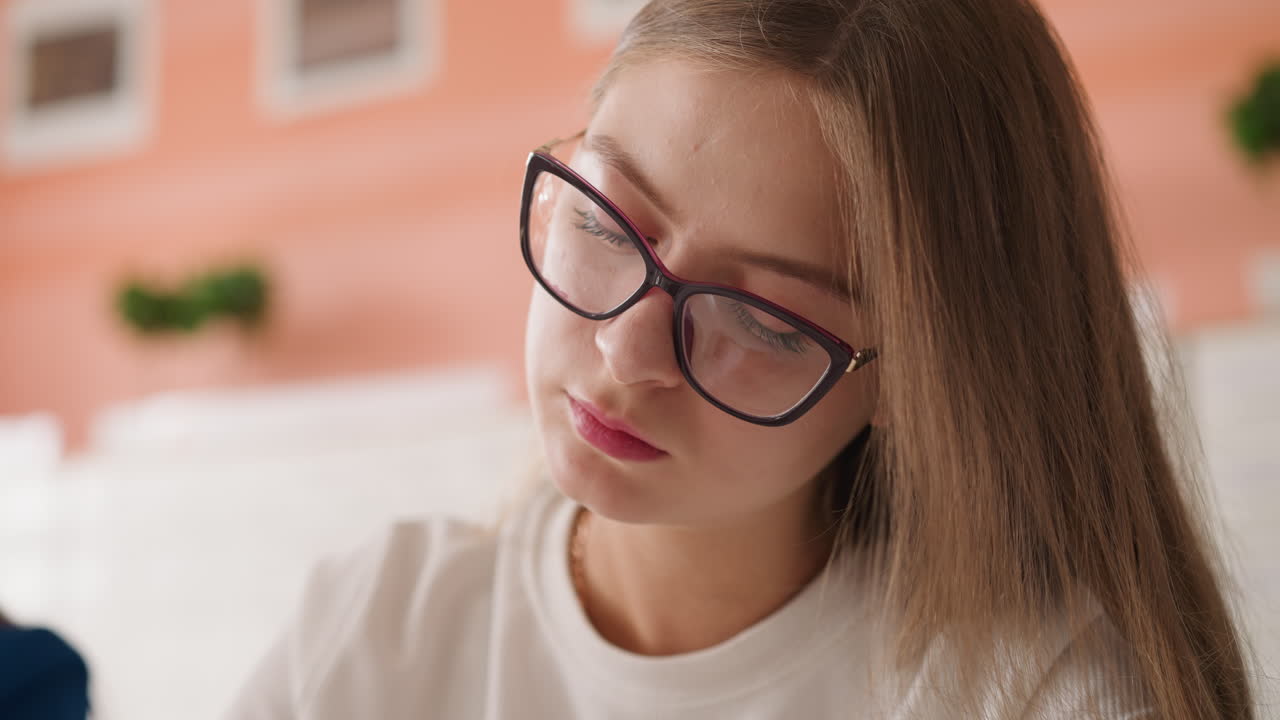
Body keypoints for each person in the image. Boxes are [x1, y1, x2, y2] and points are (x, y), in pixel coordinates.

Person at [226, 0, 1257, 717]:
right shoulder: (374, 629)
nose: (626, 353)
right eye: (605, 222)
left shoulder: (1036, 695)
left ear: (917, 375)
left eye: (762, 322)